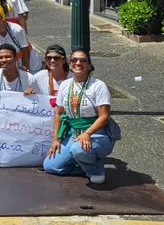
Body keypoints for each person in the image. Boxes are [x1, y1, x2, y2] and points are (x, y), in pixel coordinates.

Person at [44, 50, 116, 184]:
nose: (78, 63)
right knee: (50, 166)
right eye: (74, 60)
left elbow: (104, 116)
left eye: (83, 60)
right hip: (73, 134)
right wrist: (55, 140)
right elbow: (59, 113)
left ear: (89, 65)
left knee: (78, 149)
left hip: (96, 134)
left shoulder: (98, 86)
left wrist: (87, 133)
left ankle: (95, 169)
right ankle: (84, 165)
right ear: (70, 64)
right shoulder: (65, 85)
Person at [0, 1, 36, 72]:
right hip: (11, 64)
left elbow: (26, 52)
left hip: (30, 61)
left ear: (2, 17)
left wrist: (26, 69)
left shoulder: (16, 30)